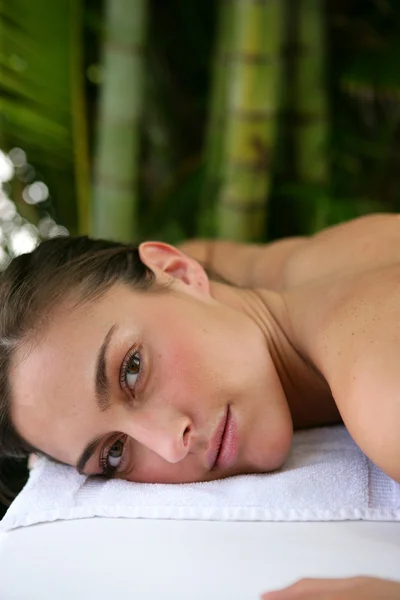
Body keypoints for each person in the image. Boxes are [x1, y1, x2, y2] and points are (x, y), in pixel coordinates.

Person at [1, 212, 400, 599]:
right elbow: (202, 252)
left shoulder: (381, 394)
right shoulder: (286, 267)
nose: (170, 444)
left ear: (179, 273)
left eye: (133, 370)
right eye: (115, 451)